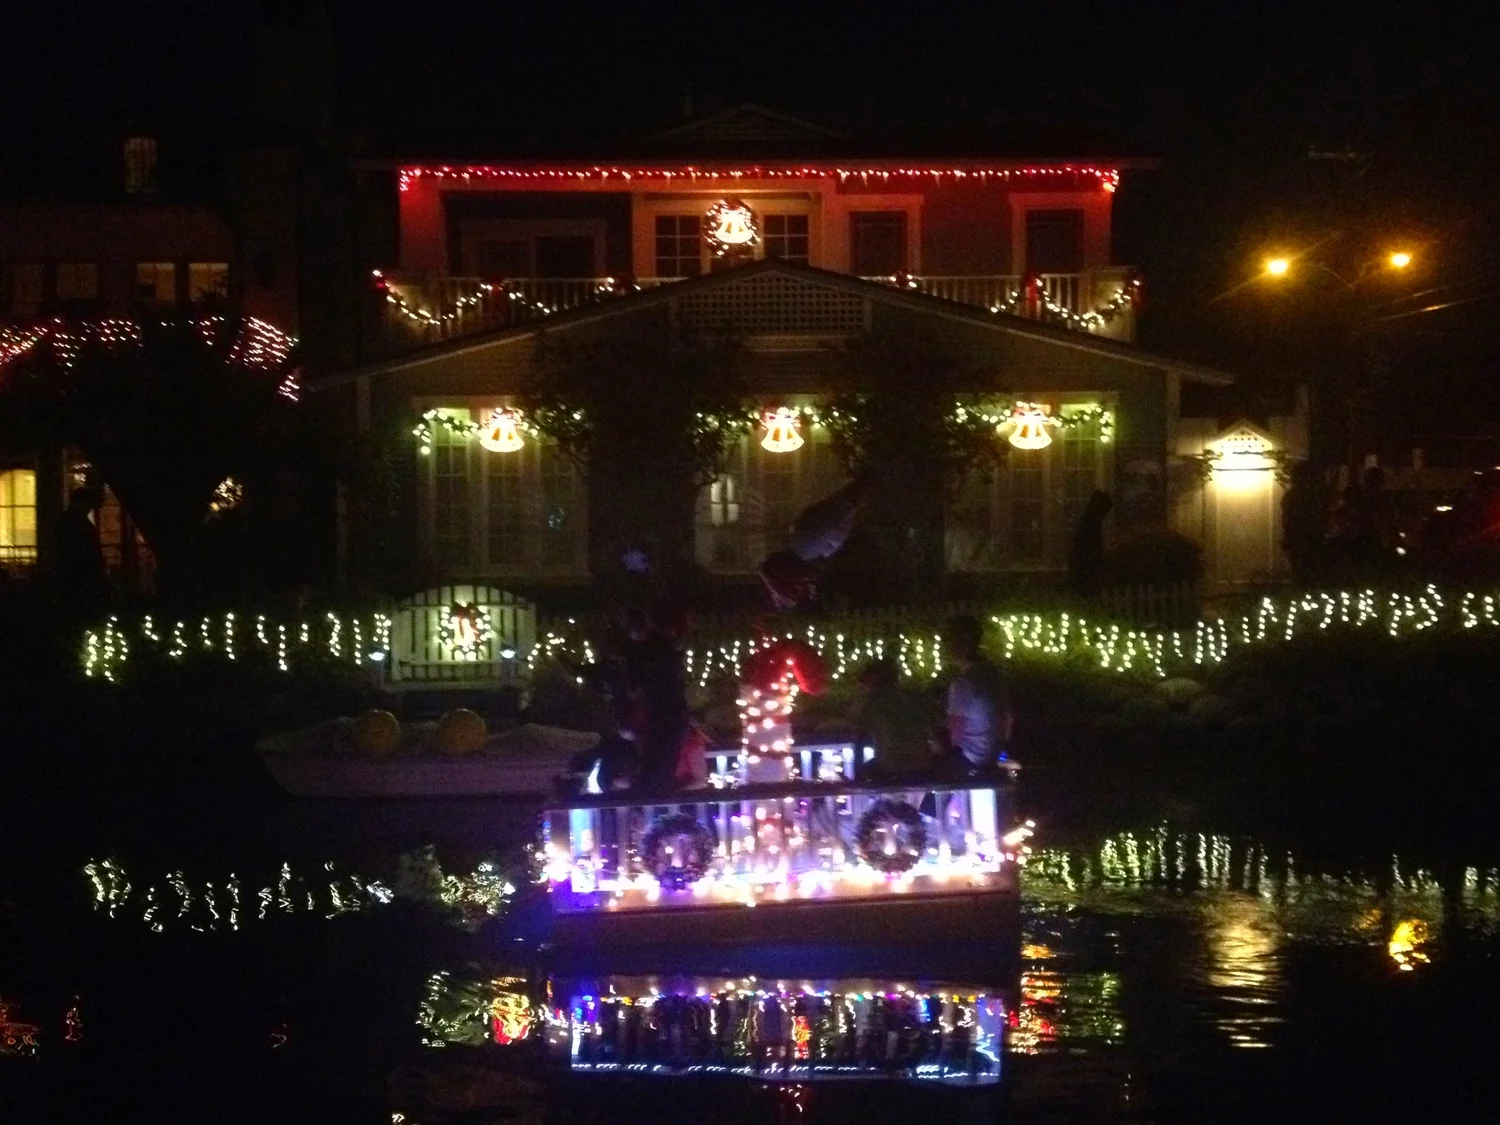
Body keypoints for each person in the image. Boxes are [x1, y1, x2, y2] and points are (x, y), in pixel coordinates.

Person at [939, 615, 1013, 776]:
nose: (946, 647)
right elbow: (1008, 721)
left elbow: (955, 735)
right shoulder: (995, 675)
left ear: (963, 643)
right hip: (993, 755)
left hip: (970, 761)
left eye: (949, 641)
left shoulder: (963, 683)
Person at [852, 657, 934, 781]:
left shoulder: (875, 702)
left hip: (893, 765)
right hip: (921, 764)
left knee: (857, 774)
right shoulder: (909, 699)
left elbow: (859, 730)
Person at [55, 485, 108, 612]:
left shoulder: (67, 520)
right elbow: (87, 551)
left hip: (73, 578)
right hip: (81, 578)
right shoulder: (78, 522)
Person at [1066, 490, 1113, 597]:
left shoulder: (1088, 522)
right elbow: (1089, 550)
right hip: (1086, 572)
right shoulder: (1090, 525)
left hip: (1084, 571)